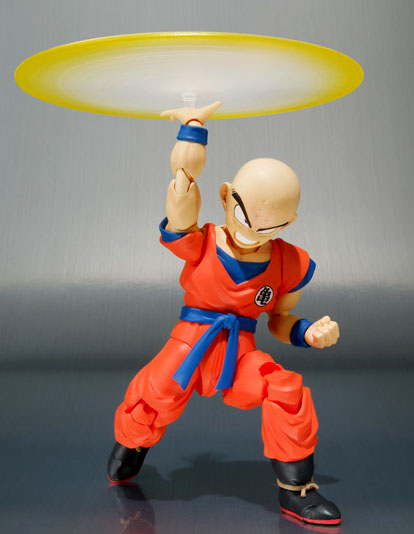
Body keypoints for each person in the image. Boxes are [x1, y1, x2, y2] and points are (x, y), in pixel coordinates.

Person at [107, 101, 341, 526]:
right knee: (151, 397)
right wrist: (193, 129)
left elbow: (279, 320)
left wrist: (307, 332)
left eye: (268, 227)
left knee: (286, 390)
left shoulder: (288, 262)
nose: (251, 232)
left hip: (240, 352)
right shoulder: (204, 242)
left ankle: (297, 491)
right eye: (243, 215)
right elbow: (182, 192)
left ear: (289, 223)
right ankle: (132, 443)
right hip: (190, 341)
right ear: (225, 196)